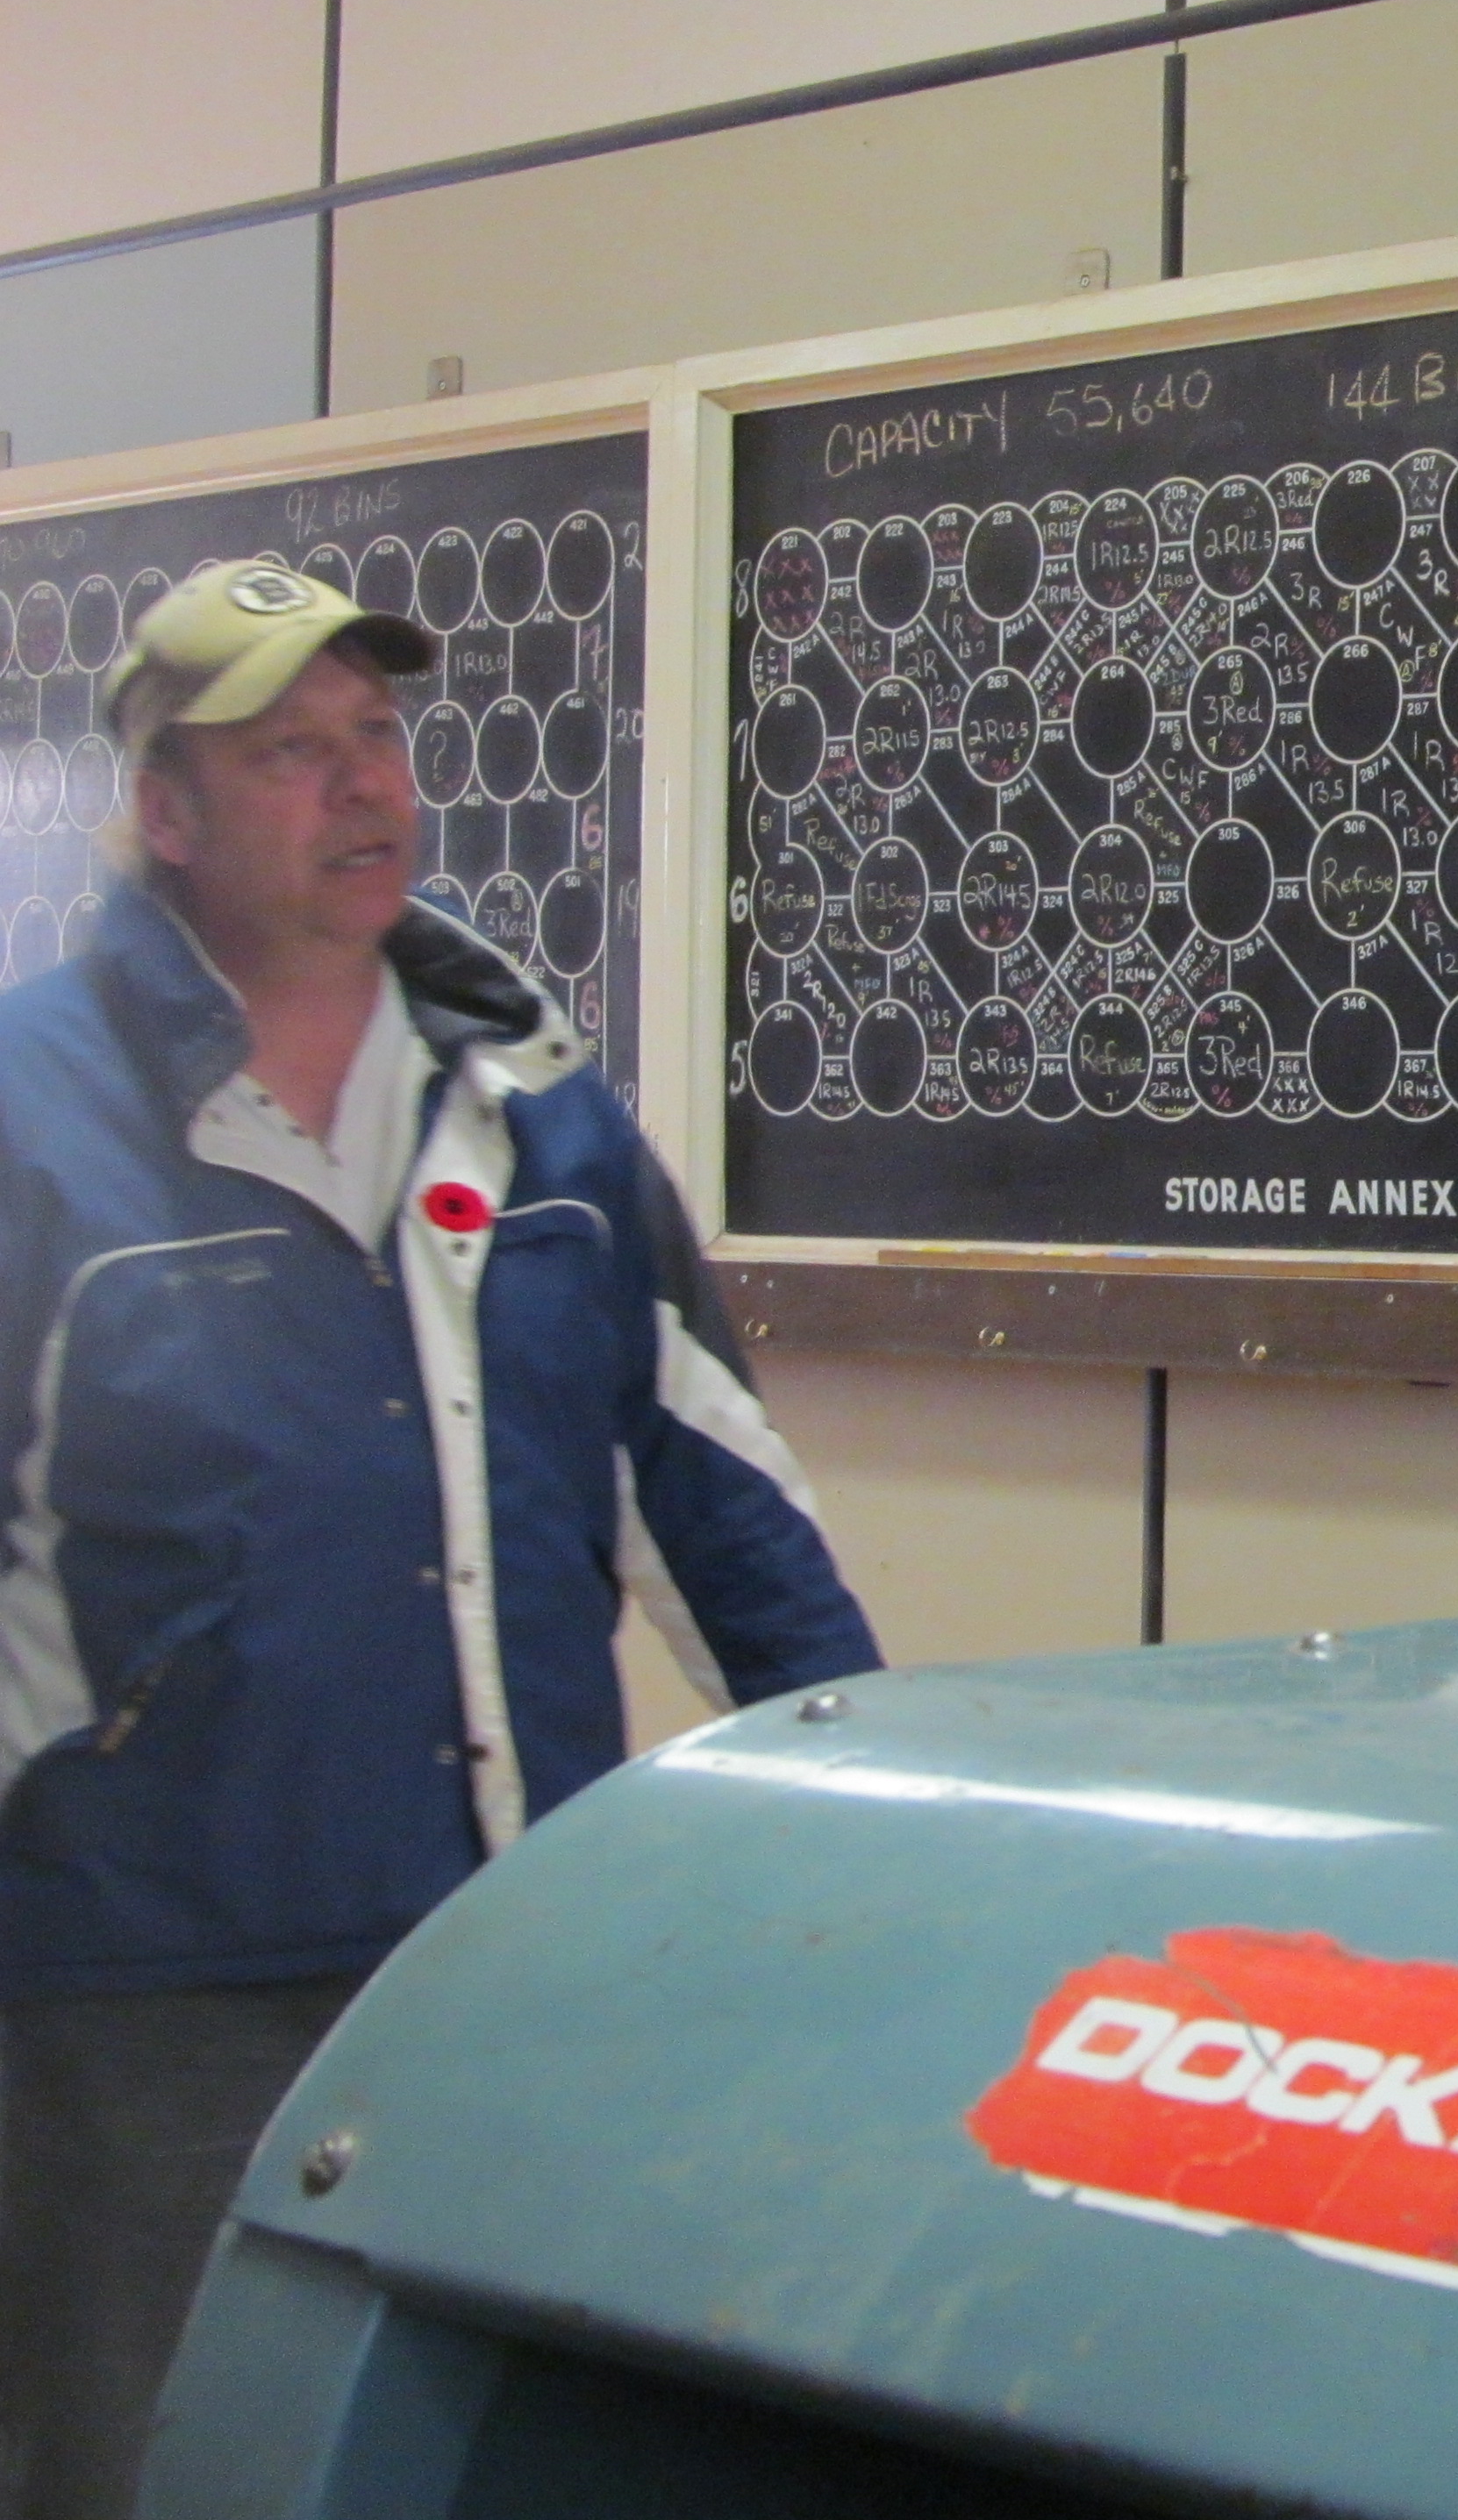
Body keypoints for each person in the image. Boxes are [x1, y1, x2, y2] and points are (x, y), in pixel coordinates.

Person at [0, 560, 881, 2520]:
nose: (362, 786)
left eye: (379, 736)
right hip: (141, 1988)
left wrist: (877, 1816)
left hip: (500, 1949)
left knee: (483, 2460)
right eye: (287, 753)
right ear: (166, 811)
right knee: (142, 2466)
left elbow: (720, 1501)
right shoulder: (33, 1113)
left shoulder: (540, 1114)